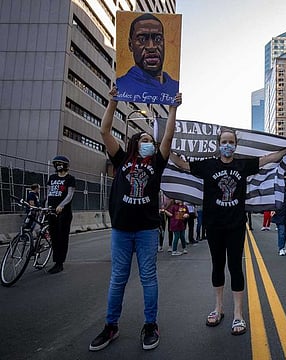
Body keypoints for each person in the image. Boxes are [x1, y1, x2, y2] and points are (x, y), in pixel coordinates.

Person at [170, 127, 286, 336]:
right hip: (214, 224)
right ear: (218, 144)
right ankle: (218, 308)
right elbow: (182, 164)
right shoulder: (208, 165)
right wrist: (163, 146)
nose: (227, 145)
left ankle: (238, 314)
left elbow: (268, 159)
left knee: (235, 267)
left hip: (236, 225)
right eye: (224, 141)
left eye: (231, 142)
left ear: (236, 145)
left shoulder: (242, 164)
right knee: (217, 266)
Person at [89, 87, 181, 352]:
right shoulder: (121, 159)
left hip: (147, 230)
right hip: (121, 230)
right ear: (133, 143)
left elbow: (168, 135)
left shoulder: (157, 162)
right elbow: (104, 131)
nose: (147, 142)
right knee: (118, 278)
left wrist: (173, 109)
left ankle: (150, 324)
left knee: (148, 278)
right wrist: (112, 101)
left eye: (148, 139)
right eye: (142, 139)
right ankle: (110, 326)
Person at [116, 13, 179, 106]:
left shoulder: (173, 88)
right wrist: (113, 102)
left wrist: (174, 106)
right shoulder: (121, 86)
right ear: (130, 45)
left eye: (158, 39)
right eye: (142, 39)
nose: (151, 47)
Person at [46, 156, 76, 274]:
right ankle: (55, 260)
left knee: (62, 238)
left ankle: (60, 263)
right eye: (56, 163)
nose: (58, 165)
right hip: (51, 210)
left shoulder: (70, 179)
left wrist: (62, 205)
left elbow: (69, 195)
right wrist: (47, 206)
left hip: (64, 212)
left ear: (66, 165)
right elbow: (49, 192)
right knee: (53, 237)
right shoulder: (52, 177)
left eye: (60, 163)